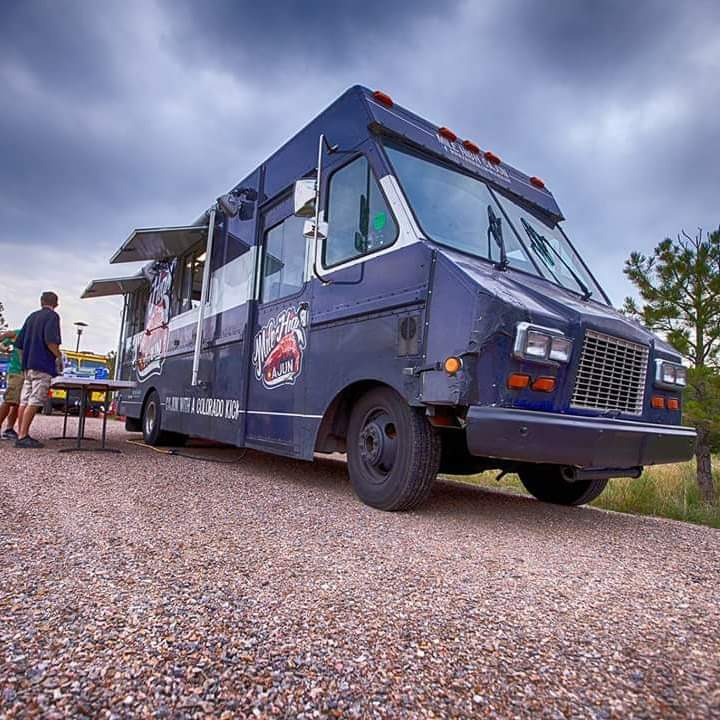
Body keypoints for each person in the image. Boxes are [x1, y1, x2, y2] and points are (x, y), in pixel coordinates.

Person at [14, 292, 63, 449]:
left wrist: (24, 362)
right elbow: (51, 341)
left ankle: (20, 433)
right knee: (35, 399)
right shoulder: (52, 317)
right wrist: (59, 357)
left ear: (41, 302)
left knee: (25, 400)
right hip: (42, 365)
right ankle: (23, 436)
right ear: (56, 304)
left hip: (28, 365)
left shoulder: (31, 317)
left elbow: (19, 344)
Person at [0, 328, 23, 440]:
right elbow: (2, 343)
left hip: (25, 372)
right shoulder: (18, 333)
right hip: (16, 371)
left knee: (18, 402)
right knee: (9, 400)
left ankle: (9, 429)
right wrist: (5, 348)